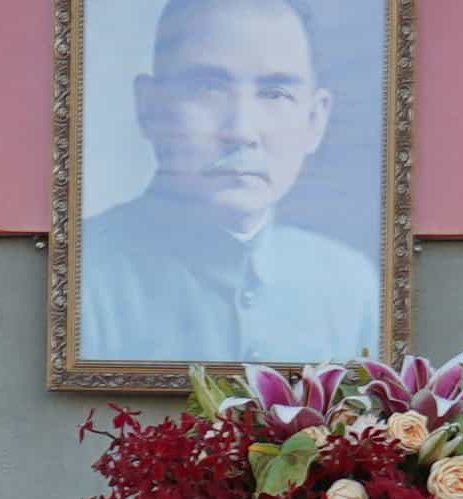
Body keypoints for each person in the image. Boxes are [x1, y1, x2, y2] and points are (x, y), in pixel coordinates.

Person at [70, 0, 384, 366]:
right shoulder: (81, 272)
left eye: (275, 93)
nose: (241, 131)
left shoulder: (350, 286)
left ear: (315, 120)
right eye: (208, 88)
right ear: (149, 107)